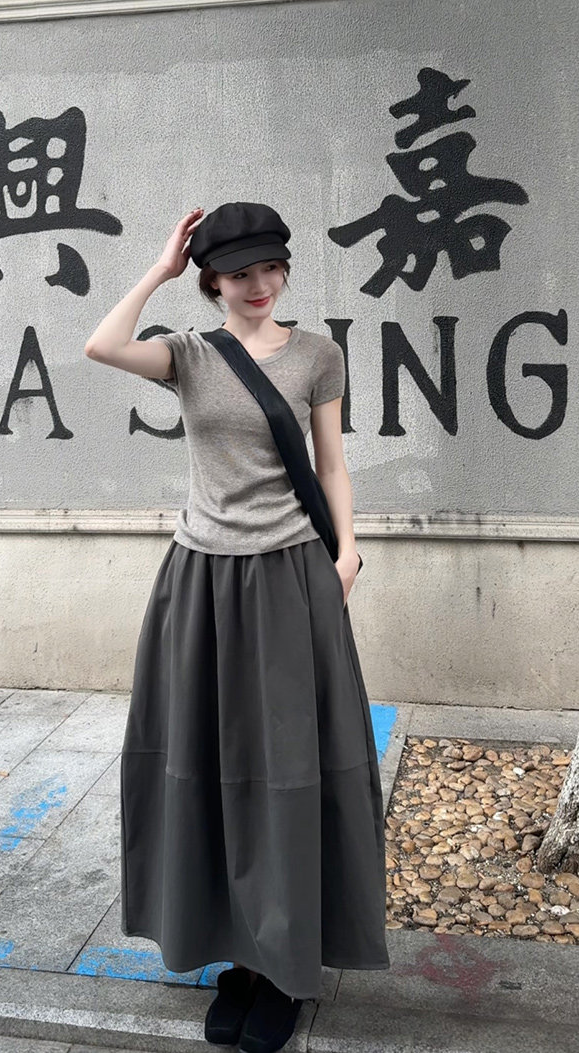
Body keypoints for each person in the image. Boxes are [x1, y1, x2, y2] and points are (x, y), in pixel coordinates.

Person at [84, 201, 390, 1053]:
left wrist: (348, 552)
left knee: (286, 772)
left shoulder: (317, 355)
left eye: (272, 267)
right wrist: (160, 267)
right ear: (212, 280)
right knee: (207, 768)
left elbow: (331, 463)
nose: (261, 285)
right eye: (241, 272)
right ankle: (236, 956)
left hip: (289, 575)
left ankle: (283, 965)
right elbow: (102, 344)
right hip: (201, 580)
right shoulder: (188, 354)